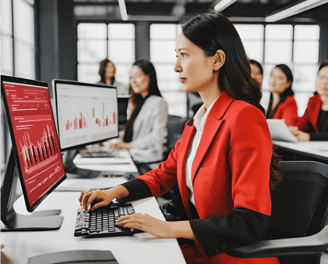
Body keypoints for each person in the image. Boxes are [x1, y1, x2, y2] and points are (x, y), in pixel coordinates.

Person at [79, 13, 281, 264]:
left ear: (217, 60)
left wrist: (169, 229)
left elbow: (250, 223)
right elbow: (164, 174)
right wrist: (114, 192)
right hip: (197, 250)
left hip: (229, 258)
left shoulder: (244, 117)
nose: (176, 66)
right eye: (177, 55)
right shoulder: (197, 122)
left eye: (184, 55)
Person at [110, 59, 168, 164]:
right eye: (131, 77)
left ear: (149, 77)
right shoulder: (138, 103)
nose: (133, 81)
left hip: (146, 161)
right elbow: (135, 133)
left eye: (138, 76)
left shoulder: (159, 102)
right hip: (132, 156)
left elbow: (157, 137)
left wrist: (128, 145)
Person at [289, 62, 328, 141]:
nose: (324, 82)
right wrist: (294, 130)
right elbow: (302, 125)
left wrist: (309, 137)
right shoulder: (313, 101)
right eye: (321, 77)